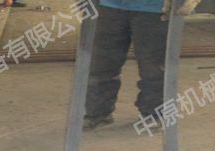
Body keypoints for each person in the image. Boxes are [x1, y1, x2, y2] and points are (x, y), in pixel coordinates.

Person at [83, 0, 200, 130]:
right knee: (102, 65)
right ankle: (97, 113)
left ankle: (153, 114)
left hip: (155, 9)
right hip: (109, 6)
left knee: (153, 67)